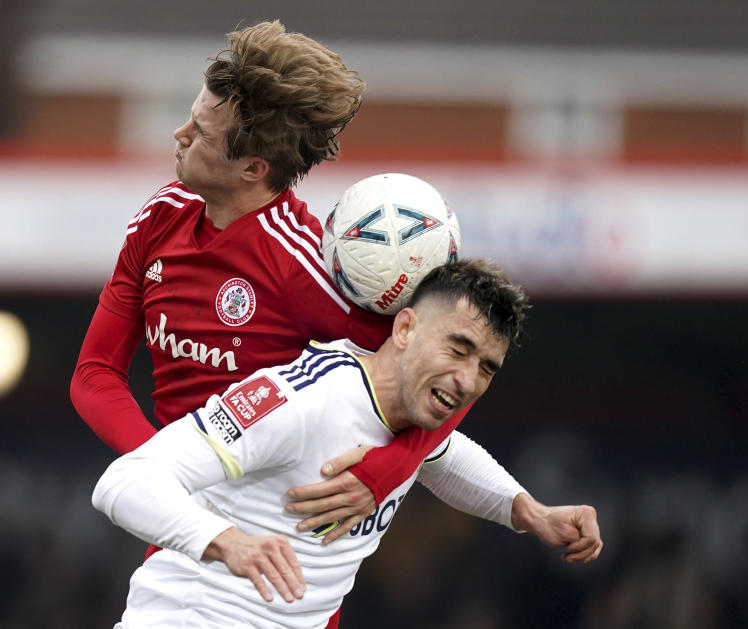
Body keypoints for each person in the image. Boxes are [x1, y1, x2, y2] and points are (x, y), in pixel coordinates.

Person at [70, 17, 473, 575]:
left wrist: (383, 473)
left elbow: (452, 369)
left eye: (200, 133)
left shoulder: (305, 267)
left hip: (281, 552)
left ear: (253, 169)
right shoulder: (159, 217)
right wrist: (165, 477)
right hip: (190, 534)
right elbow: (94, 373)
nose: (179, 136)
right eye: (189, 119)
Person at [92, 260, 603, 628]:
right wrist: (230, 542)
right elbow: (125, 480)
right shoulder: (301, 398)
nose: (467, 380)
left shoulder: (413, 422)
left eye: (485, 368)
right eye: (458, 349)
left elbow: (447, 458)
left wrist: (529, 511)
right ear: (404, 328)